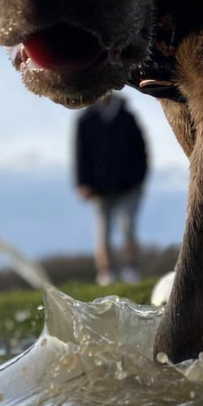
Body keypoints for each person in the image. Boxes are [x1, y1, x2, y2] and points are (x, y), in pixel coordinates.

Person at [75, 93, 148, 285]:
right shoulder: (86, 120)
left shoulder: (128, 118)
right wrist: (83, 183)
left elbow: (142, 151)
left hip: (128, 185)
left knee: (127, 227)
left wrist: (138, 179)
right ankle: (106, 272)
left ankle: (131, 268)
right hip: (99, 188)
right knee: (102, 231)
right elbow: (81, 154)